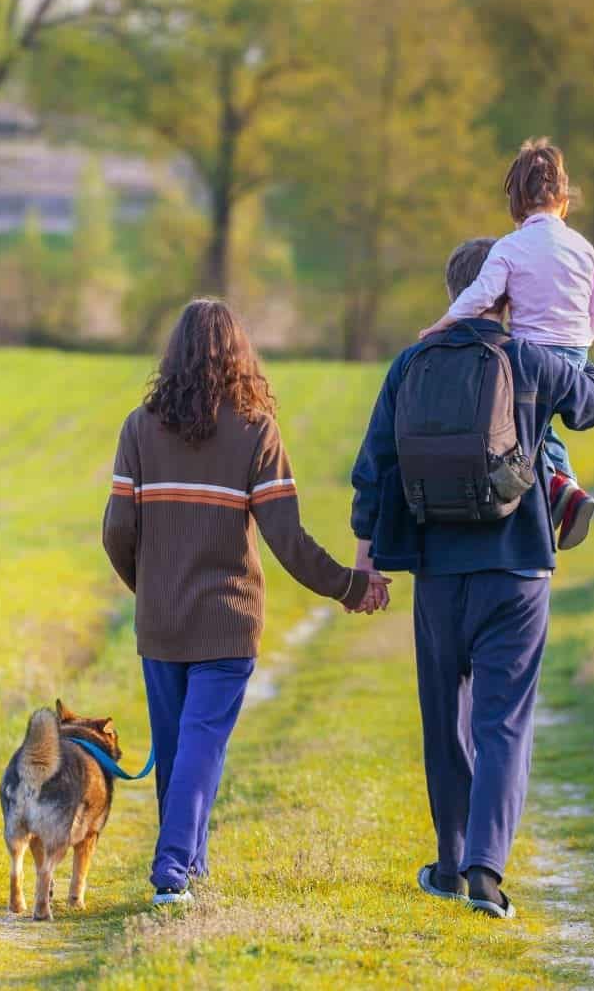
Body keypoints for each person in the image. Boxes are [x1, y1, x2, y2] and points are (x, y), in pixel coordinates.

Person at [353, 239, 594, 919]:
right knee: (504, 723)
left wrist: (367, 556)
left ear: (454, 292)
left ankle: (448, 864)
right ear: (509, 292)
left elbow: (376, 466)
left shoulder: (411, 363)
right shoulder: (528, 360)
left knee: (446, 723)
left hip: (439, 573)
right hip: (518, 568)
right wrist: (566, 333)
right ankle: (486, 873)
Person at [103, 298, 389, 907]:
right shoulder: (256, 429)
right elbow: (287, 539)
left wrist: (148, 587)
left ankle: (188, 866)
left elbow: (116, 533)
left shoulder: (139, 426)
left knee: (181, 749)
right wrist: (350, 584)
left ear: (174, 355)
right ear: (239, 356)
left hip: (161, 621)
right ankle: (174, 870)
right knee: (198, 747)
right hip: (228, 622)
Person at [418, 140, 594, 549]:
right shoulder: (584, 248)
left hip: (527, 354)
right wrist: (582, 342)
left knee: (525, 431)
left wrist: (444, 321)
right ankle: (566, 487)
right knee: (545, 427)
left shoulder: (510, 246)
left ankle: (560, 489)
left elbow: (481, 295)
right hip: (574, 353)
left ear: (517, 202)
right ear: (564, 199)